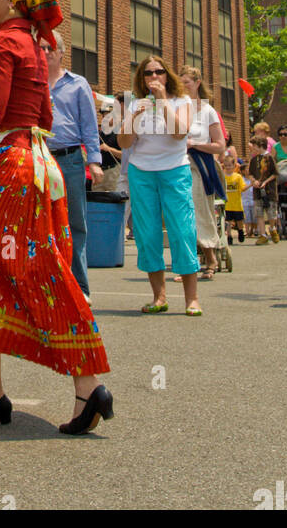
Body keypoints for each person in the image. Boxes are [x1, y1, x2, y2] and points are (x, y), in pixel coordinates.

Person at [0, 0, 112, 435]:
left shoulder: (2, 41)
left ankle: (82, 383)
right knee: (16, 270)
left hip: (5, 168)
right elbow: (44, 114)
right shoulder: (35, 45)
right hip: (38, 164)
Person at [119, 54, 201, 315]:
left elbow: (179, 133)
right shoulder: (135, 104)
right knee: (147, 233)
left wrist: (163, 101)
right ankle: (159, 297)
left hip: (174, 171)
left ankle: (192, 299)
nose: (154, 77)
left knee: (182, 230)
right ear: (141, 78)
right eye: (148, 73)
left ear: (167, 76)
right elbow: (123, 143)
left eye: (159, 72)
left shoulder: (182, 101)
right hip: (142, 172)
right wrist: (133, 117)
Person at [39, 30, 103, 301]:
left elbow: (90, 126)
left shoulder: (78, 85)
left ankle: (80, 288)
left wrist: (96, 162)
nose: (46, 52)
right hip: (39, 158)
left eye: (51, 47)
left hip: (71, 159)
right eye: (41, 47)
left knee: (75, 222)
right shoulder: (31, 83)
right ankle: (47, 285)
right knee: (41, 222)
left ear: (62, 52)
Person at [179, 66, 226, 279]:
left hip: (200, 167)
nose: (183, 87)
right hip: (176, 166)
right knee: (179, 215)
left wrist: (194, 144)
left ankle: (211, 257)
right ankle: (188, 263)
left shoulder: (207, 111)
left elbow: (220, 146)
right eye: (180, 83)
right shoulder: (176, 108)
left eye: (187, 82)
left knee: (199, 211)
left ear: (197, 83)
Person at [248, 134, 279, 244]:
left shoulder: (269, 157)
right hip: (257, 191)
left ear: (260, 145)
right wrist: (253, 181)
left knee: (271, 213)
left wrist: (265, 182)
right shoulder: (253, 159)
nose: (252, 149)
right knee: (259, 213)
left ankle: (272, 228)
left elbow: (275, 174)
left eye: (254, 146)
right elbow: (250, 174)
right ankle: (263, 235)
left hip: (269, 190)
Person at [222, 149, 247, 245]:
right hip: (227, 204)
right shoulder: (223, 176)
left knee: (239, 220)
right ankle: (229, 236)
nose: (228, 167)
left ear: (234, 166)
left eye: (230, 165)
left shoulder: (238, 177)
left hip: (237, 204)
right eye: (226, 165)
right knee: (228, 221)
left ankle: (240, 231)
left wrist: (250, 185)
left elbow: (243, 188)